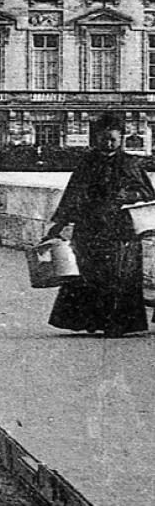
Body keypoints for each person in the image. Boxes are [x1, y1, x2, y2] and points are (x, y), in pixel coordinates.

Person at [44, 112, 155, 338]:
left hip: (120, 230)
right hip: (90, 227)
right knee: (88, 274)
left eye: (113, 139)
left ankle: (117, 325)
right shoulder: (87, 163)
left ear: (121, 138)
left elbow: (147, 192)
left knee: (119, 276)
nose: (109, 143)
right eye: (105, 139)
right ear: (96, 139)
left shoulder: (130, 163)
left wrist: (129, 195)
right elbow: (72, 195)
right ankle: (91, 321)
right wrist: (58, 225)